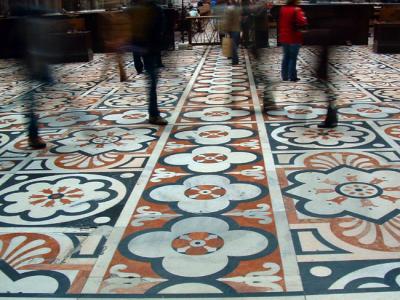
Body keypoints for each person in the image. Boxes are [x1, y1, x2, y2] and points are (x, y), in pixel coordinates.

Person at [128, 0, 168, 125]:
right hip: (149, 48)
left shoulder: (133, 7)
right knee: (152, 82)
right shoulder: (155, 9)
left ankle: (154, 114)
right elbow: (160, 30)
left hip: (141, 46)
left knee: (152, 81)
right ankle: (154, 114)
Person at [279, 0, 307, 82]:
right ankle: (292, 76)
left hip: (284, 36)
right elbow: (302, 21)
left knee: (286, 56)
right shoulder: (297, 9)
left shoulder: (282, 9)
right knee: (293, 57)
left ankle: (284, 76)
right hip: (294, 37)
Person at [223, 0, 241, 65]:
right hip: (237, 28)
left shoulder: (229, 9)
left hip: (231, 29)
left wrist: (225, 29)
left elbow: (227, 20)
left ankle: (235, 60)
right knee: (235, 44)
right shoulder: (238, 9)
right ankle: (231, 56)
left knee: (233, 45)